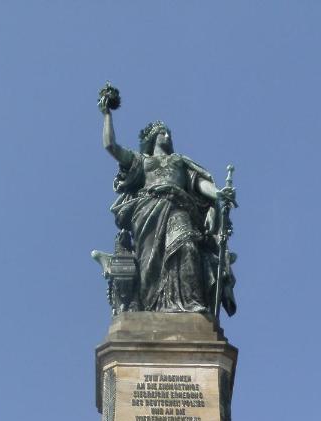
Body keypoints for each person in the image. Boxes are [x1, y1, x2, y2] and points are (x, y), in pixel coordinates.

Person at [99, 94, 236, 315]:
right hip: (147, 211)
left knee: (187, 246)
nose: (167, 135)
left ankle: (190, 304)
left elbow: (199, 183)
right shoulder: (142, 161)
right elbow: (111, 146)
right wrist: (106, 114)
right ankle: (150, 307)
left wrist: (218, 193)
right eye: (162, 132)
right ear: (152, 137)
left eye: (169, 133)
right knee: (149, 265)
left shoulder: (179, 161)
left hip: (178, 206)